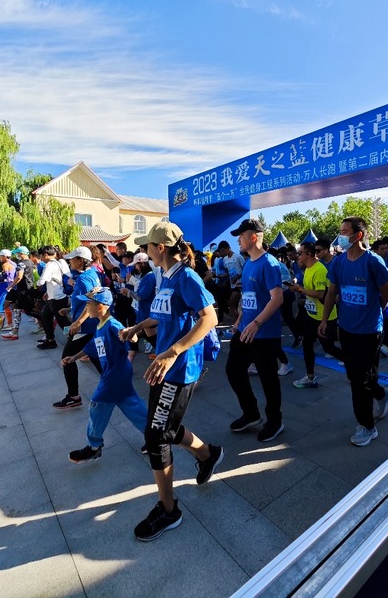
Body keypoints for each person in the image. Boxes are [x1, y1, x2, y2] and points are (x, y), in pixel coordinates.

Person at [120, 221, 222, 542]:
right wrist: (139, 327)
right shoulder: (165, 276)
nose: (144, 251)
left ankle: (169, 510)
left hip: (179, 369)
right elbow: (165, 315)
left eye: (147, 246)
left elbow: (210, 317)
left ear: (160, 248)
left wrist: (173, 352)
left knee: (156, 436)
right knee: (162, 429)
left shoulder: (187, 277)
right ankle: (207, 454)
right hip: (162, 366)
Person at [319, 217, 388, 447]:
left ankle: (367, 426)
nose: (340, 236)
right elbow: (331, 293)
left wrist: (373, 311)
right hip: (346, 328)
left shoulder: (373, 261)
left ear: (358, 235)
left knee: (360, 380)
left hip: (370, 331)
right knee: (358, 376)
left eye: (344, 232)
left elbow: (387, 294)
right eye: (340, 231)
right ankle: (382, 394)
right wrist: (325, 320)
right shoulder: (339, 262)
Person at [67, 287, 149, 464]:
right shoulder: (100, 326)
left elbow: (130, 337)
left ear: (101, 307)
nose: (86, 307)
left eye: (89, 304)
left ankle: (94, 447)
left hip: (115, 375)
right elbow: (91, 347)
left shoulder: (113, 325)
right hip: (115, 373)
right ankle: (154, 436)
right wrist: (74, 357)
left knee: (97, 406)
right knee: (132, 405)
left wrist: (131, 336)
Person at [225, 218, 286, 442]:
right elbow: (249, 297)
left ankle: (275, 421)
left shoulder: (269, 263)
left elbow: (277, 298)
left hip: (264, 334)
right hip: (245, 330)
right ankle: (251, 413)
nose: (238, 241)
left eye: (240, 237)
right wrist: (240, 320)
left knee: (268, 379)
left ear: (253, 237)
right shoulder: (249, 262)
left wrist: (256, 323)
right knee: (233, 370)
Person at [52, 247, 101, 410]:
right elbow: (86, 299)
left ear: (80, 260)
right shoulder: (91, 274)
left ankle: (73, 396)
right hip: (92, 324)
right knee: (95, 356)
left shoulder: (83, 279)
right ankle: (114, 386)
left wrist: (78, 322)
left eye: (72, 259)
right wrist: (69, 309)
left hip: (86, 326)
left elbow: (91, 302)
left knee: (67, 358)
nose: (70, 261)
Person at [291, 241, 343, 388]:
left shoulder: (319, 270)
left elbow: (320, 294)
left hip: (325, 317)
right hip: (311, 315)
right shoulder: (307, 269)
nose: (298, 256)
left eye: (300, 253)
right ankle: (310, 377)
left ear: (309, 254)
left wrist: (300, 290)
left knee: (329, 348)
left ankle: (356, 367)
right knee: (307, 344)